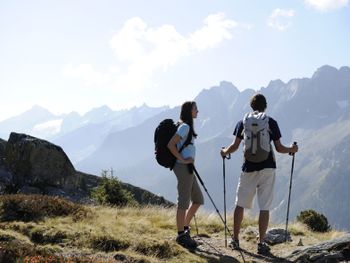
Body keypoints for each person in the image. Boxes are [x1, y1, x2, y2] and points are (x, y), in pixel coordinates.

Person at [220, 93, 298, 255]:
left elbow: (235, 146)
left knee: (240, 203)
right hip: (268, 168)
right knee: (265, 206)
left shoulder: (243, 122)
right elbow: (279, 148)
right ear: (265, 106)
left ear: (251, 106)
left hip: (248, 167)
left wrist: (224, 152)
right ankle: (261, 243)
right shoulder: (270, 122)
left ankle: (235, 239)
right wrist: (292, 149)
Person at [167, 101, 204, 249]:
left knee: (198, 199)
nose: (198, 111)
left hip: (188, 167)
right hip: (182, 167)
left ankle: (185, 227)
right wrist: (183, 159)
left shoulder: (187, 127)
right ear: (189, 111)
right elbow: (170, 145)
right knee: (183, 201)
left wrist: (189, 161)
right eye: (195, 109)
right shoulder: (185, 127)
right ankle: (181, 235)